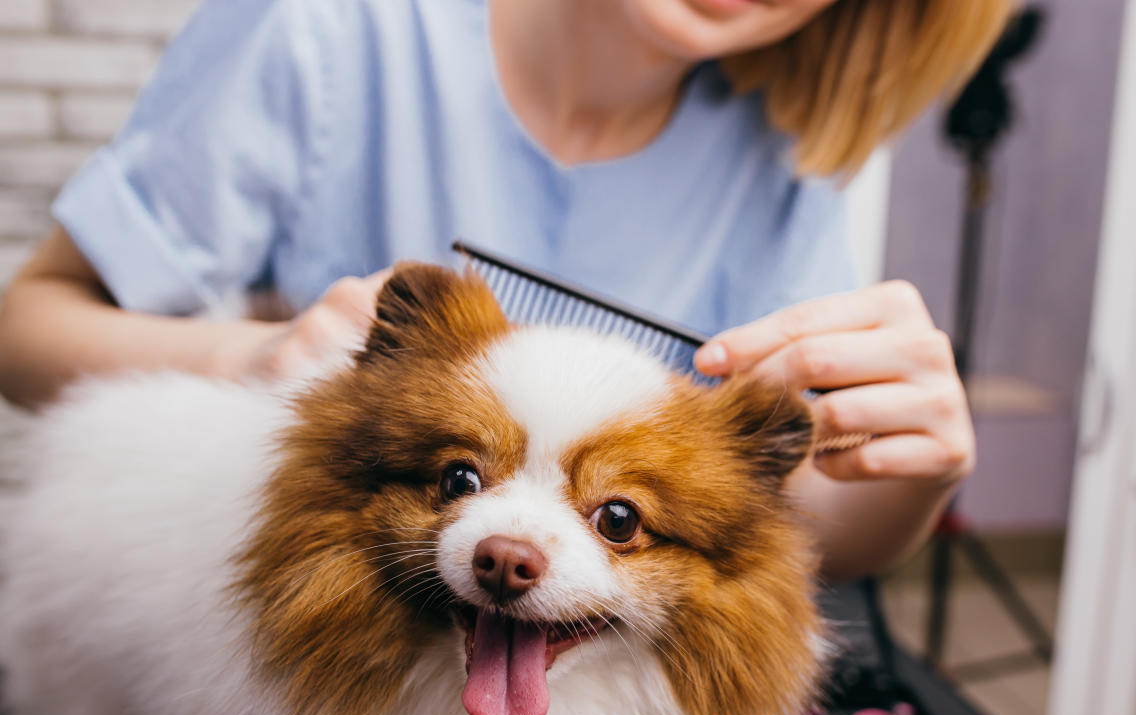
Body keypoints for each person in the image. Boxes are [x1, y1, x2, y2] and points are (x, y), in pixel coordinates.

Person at [0, 0, 1010, 580]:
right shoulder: (328, 30)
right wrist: (248, 362)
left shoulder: (784, 166)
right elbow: (25, 329)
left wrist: (914, 475)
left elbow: (797, 541)